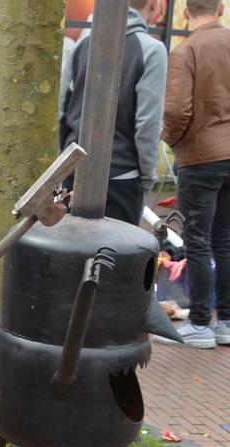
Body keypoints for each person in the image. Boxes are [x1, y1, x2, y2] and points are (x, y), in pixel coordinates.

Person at [159, 0, 230, 349]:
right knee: (225, 239)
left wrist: (173, 140)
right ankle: (226, 321)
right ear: (220, 9)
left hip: (201, 155)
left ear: (186, 12)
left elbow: (176, 110)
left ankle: (200, 323)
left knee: (197, 240)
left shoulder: (186, 51)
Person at [60, 0, 168, 226]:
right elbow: (147, 124)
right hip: (122, 177)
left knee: (73, 245)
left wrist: (64, 160)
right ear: (154, 5)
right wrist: (147, 177)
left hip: (74, 171)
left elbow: (63, 109)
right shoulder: (152, 50)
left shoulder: (83, 45)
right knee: (117, 248)